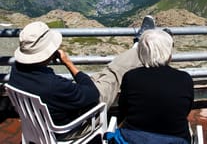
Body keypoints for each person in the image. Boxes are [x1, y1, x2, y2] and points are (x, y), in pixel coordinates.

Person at [8, 16, 155, 127]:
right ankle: (140, 45)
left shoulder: (17, 70)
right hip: (74, 126)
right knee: (114, 72)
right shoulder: (54, 85)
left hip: (43, 124)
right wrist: (69, 64)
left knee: (100, 76)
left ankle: (137, 45)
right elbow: (93, 94)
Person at [118, 29, 194, 144]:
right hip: (176, 140)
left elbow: (124, 109)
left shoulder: (131, 77)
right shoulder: (185, 79)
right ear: (168, 53)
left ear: (141, 52)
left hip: (133, 139)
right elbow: (186, 110)